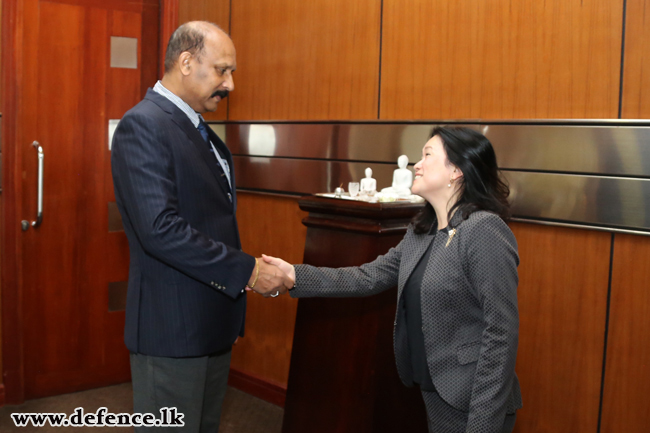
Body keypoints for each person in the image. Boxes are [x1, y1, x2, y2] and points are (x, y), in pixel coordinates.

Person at [264, 126, 522, 433]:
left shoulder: (483, 230)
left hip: (475, 400)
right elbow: (367, 277)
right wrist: (294, 275)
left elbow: (501, 333)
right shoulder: (421, 232)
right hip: (434, 391)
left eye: (428, 155)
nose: (417, 164)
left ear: (456, 170)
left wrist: (482, 423)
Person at [111, 21, 291, 432]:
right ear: (187, 62)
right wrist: (248, 270)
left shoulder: (193, 126)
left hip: (210, 322)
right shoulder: (144, 125)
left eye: (232, 73)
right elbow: (160, 229)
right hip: (172, 329)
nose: (229, 84)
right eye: (222, 70)